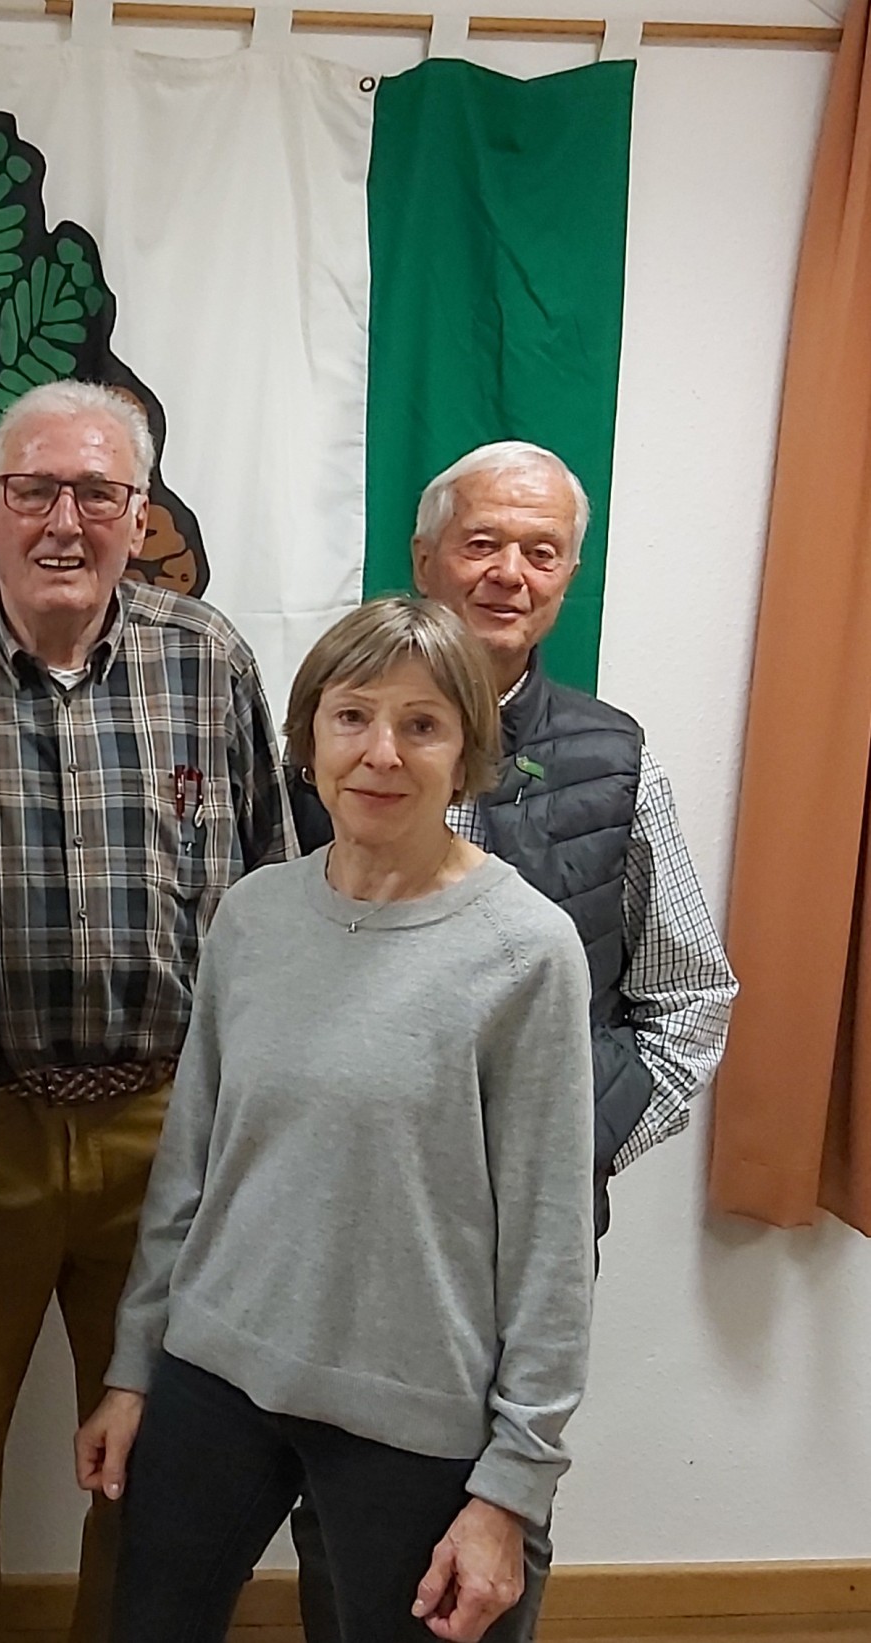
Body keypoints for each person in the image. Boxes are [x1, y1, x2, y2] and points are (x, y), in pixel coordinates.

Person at [0, 379, 294, 1643]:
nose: (62, 519)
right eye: (32, 488)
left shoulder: (208, 659)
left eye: (96, 492)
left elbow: (269, 887)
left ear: (139, 516)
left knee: (158, 1452)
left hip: (168, 1127)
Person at [79, 596, 596, 1643]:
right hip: (214, 1371)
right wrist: (133, 1368)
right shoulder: (253, 914)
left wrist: (513, 1484)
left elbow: (550, 1244)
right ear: (307, 735)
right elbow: (188, 1171)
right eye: (352, 715)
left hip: (412, 1409)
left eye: (422, 723)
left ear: (467, 752)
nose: (380, 753)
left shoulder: (525, 950)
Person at [288, 442, 738, 1643]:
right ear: (422, 555)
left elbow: (689, 996)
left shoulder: (612, 757)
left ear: (567, 576)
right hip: (342, 1208)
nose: (508, 572)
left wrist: (568, 1148)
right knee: (339, 1499)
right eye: (480, 541)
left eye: (540, 552)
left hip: (518, 1238)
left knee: (492, 1511)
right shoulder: (325, 740)